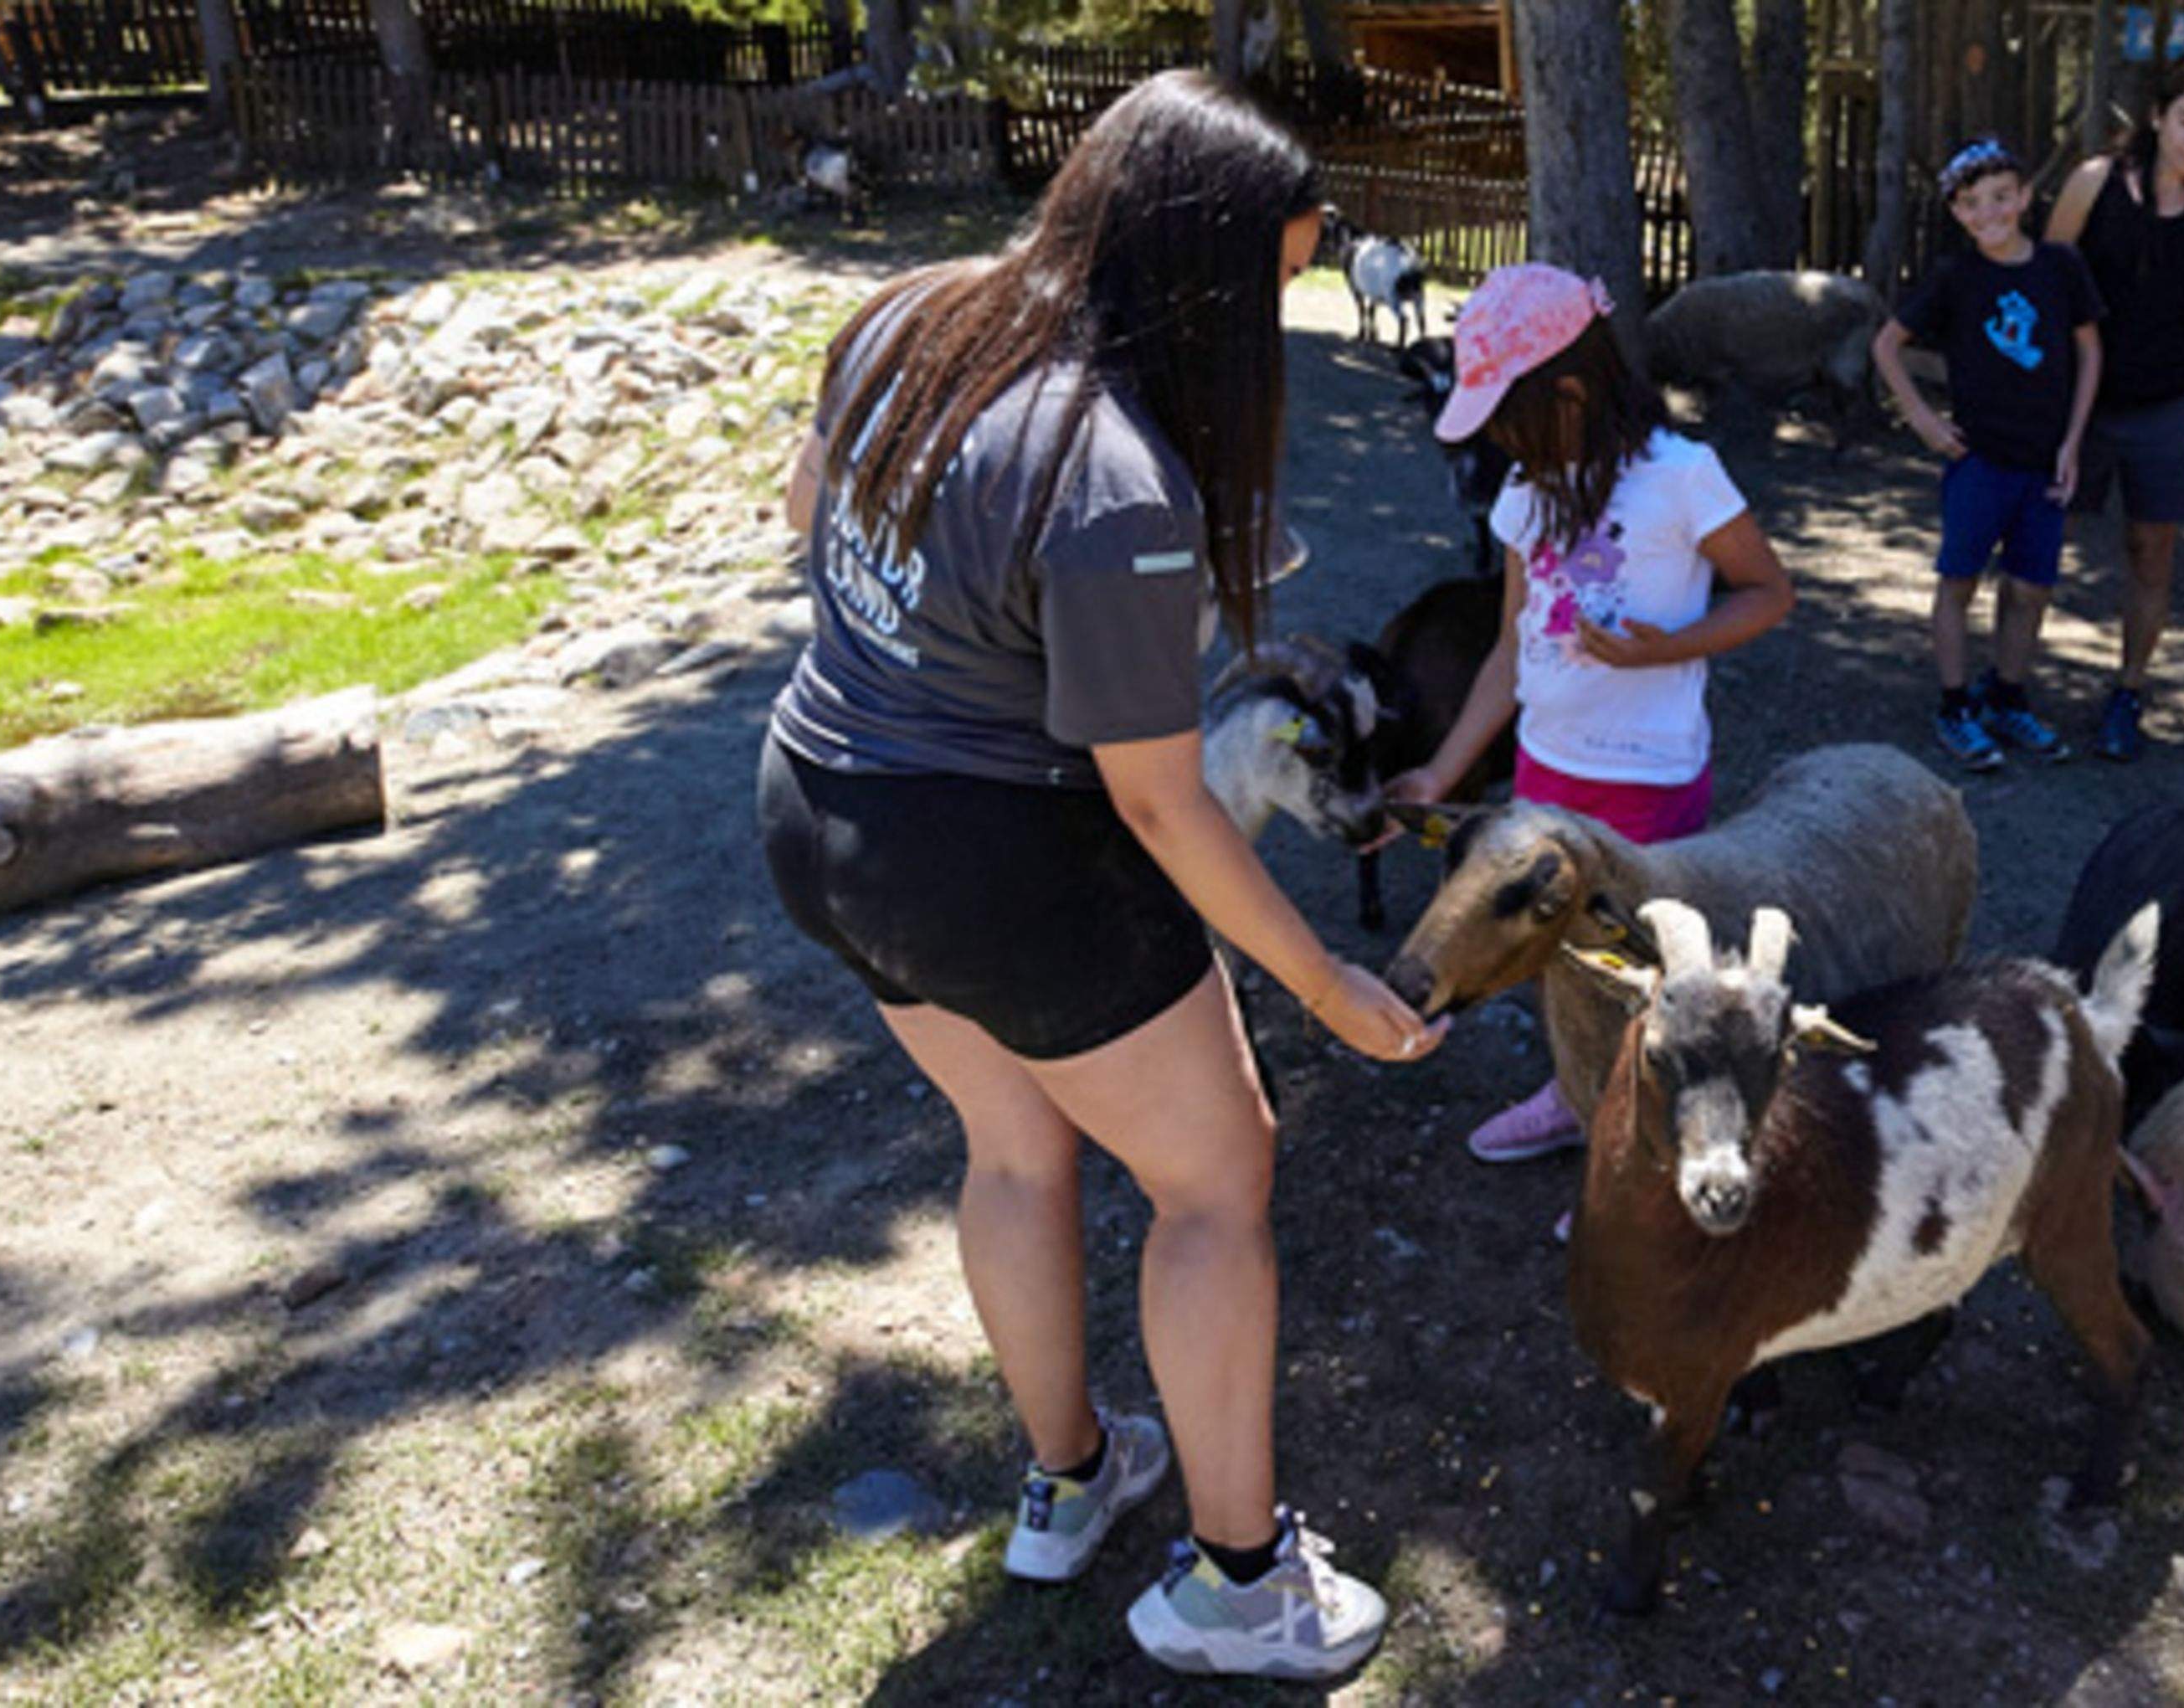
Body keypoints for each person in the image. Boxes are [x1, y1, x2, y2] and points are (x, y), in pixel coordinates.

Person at [755, 71, 1441, 1682]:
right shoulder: (1120, 477)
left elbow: (805, 509)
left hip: (816, 810)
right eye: (1276, 281)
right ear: (1200, 264)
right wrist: (1326, 981)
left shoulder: (912, 310)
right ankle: (1237, 1584)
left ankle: (1069, 1479)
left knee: (1013, 1141)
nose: (1281, 317)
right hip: (1000, 865)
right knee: (1216, 1179)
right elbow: (1159, 805)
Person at [1385, 264, 1796, 1166]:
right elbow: (1510, 651)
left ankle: (1638, 1143)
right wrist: (1442, 772)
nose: (1496, 435)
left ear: (1569, 391)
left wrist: (1665, 647)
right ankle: (1576, 1096)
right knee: (1558, 960)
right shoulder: (1526, 493)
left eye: (1507, 411)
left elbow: (1767, 592)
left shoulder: (1683, 476)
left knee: (1639, 966)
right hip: (1544, 770)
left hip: (1646, 782)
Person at [2044, 44, 2184, 762]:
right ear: (2155, 117)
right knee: (2042, 543)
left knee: (2151, 553)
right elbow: (2044, 278)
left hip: (2168, 404)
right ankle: (2010, 684)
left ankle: (2128, 690)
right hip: (2081, 401)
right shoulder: (2094, 183)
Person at [1873, 136, 2107, 772]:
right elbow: (1887, 344)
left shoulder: (2060, 268)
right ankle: (1955, 706)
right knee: (1959, 581)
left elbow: (2090, 352)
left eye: (2002, 197)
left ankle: (2007, 694)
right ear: (1957, 213)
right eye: (1973, 204)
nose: (1990, 213)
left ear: (2026, 197)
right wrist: (1922, 418)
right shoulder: (1956, 277)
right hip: (1979, 460)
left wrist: (2073, 441)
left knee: (2031, 589)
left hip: (2044, 460)